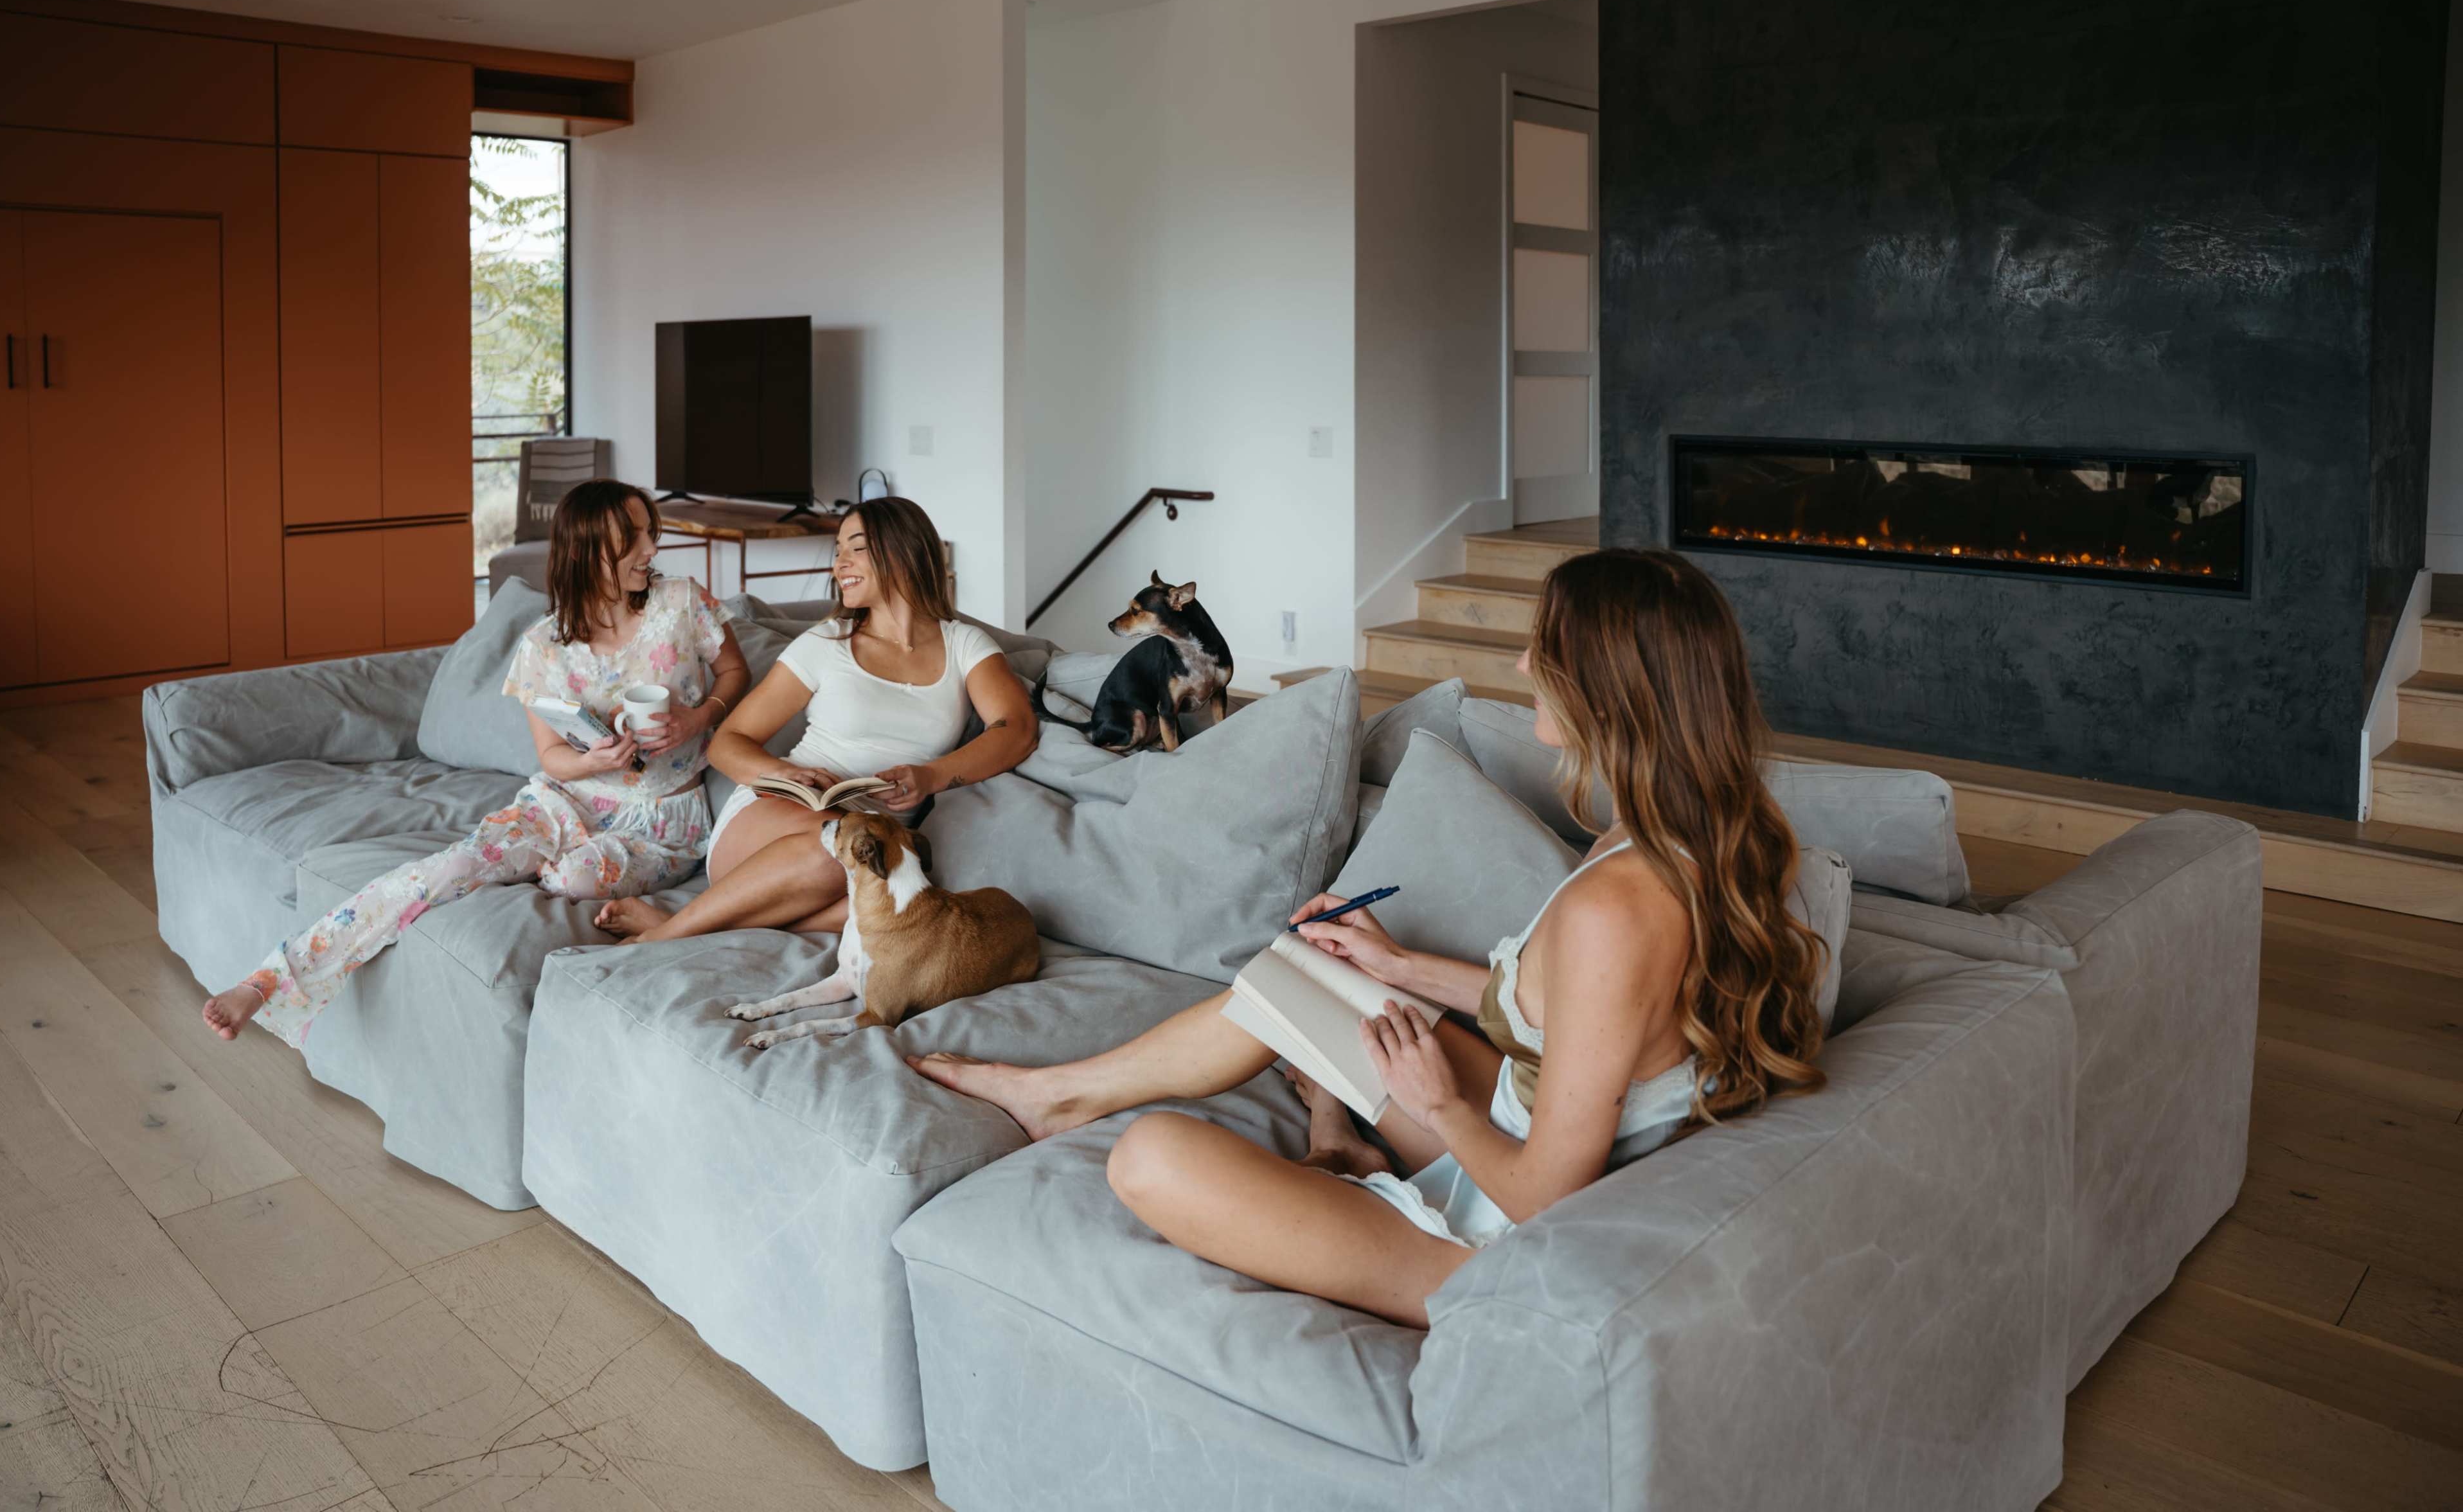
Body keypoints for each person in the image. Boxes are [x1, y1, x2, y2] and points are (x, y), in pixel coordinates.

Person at [911, 547, 1829, 1327]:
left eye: (1541, 649)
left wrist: (1445, 1103)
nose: (1520, 665)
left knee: (1150, 1156)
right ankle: (1063, 1094)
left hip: (1504, 1241)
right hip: (1527, 1119)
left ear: (1611, 687)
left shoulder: (1618, 909)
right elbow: (1586, 1023)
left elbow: (1546, 1196)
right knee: (1309, 970)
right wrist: (1397, 965)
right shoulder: (1688, 831)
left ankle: (1344, 1165)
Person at [202, 481, 751, 1043]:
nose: (651, 549)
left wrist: (697, 717)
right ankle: (269, 980)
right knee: (442, 871)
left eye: (649, 533)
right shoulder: (544, 647)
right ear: (586, 549)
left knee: (574, 878)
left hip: (661, 821)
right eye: (632, 538)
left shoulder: (683, 602)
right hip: (565, 803)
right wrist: (594, 761)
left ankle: (533, 867)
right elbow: (553, 759)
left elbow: (736, 673)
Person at [593, 495, 1037, 945]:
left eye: (855, 548)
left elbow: (1016, 728)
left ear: (902, 550)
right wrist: (786, 773)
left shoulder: (964, 645)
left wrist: (931, 776)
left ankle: (703, 920)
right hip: (775, 822)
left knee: (897, 895)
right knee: (840, 851)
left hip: (868, 839)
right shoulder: (826, 643)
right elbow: (729, 741)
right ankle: (666, 934)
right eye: (837, 550)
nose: (839, 563)